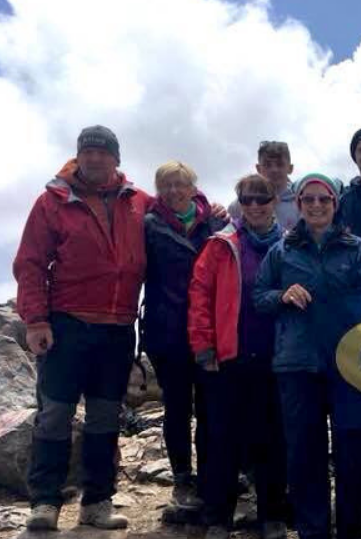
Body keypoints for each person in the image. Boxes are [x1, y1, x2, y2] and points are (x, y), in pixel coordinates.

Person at [15, 126, 152, 530]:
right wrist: (36, 320)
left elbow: (179, 212)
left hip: (117, 329)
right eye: (87, 153)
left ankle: (97, 502)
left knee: (105, 417)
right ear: (78, 157)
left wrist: (206, 205)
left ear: (116, 158)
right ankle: (44, 502)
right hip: (67, 324)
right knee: (54, 415)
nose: (94, 159)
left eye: (102, 153)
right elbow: (30, 263)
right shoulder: (53, 202)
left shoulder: (139, 201)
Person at [254, 173, 361, 539]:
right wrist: (282, 295)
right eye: (308, 200)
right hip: (297, 363)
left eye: (323, 199)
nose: (316, 206)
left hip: (348, 364)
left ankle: (351, 529)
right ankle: (313, 531)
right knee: (305, 454)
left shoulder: (356, 249)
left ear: (334, 204)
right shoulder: (282, 250)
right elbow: (259, 297)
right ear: (298, 204)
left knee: (352, 452)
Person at [189, 174, 289, 539]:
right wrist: (204, 347)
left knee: (273, 440)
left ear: (274, 200)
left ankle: (273, 515)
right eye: (248, 199)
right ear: (239, 203)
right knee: (221, 440)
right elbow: (200, 297)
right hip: (228, 358)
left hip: (278, 359)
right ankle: (218, 517)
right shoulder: (221, 245)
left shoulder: (290, 244)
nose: (256, 206)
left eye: (262, 198)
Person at [142, 161, 227, 512]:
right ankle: (181, 479)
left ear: (194, 188)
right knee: (176, 407)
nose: (174, 191)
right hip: (167, 331)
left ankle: (210, 477)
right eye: (166, 185)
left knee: (210, 407)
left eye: (180, 184)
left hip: (208, 329)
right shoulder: (148, 225)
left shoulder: (216, 221)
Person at [228, 140, 299, 229]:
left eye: (280, 164)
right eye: (267, 165)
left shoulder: (301, 203)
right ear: (258, 168)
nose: (274, 170)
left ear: (290, 168)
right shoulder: (243, 202)